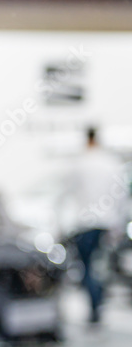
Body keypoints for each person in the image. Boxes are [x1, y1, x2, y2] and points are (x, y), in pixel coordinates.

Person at [68, 127, 129, 324]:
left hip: (85, 223)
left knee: (87, 269)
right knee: (100, 268)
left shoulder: (80, 163)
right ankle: (98, 306)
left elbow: (72, 194)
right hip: (106, 223)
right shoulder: (111, 164)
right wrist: (117, 224)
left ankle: (94, 309)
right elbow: (120, 196)